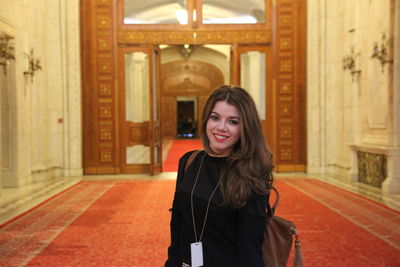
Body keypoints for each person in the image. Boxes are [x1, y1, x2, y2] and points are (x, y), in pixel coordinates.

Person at [165, 85, 274, 267]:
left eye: (233, 121)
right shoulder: (189, 162)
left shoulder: (252, 173)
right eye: (215, 118)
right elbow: (178, 222)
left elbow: (250, 246)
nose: (221, 128)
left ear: (245, 127)